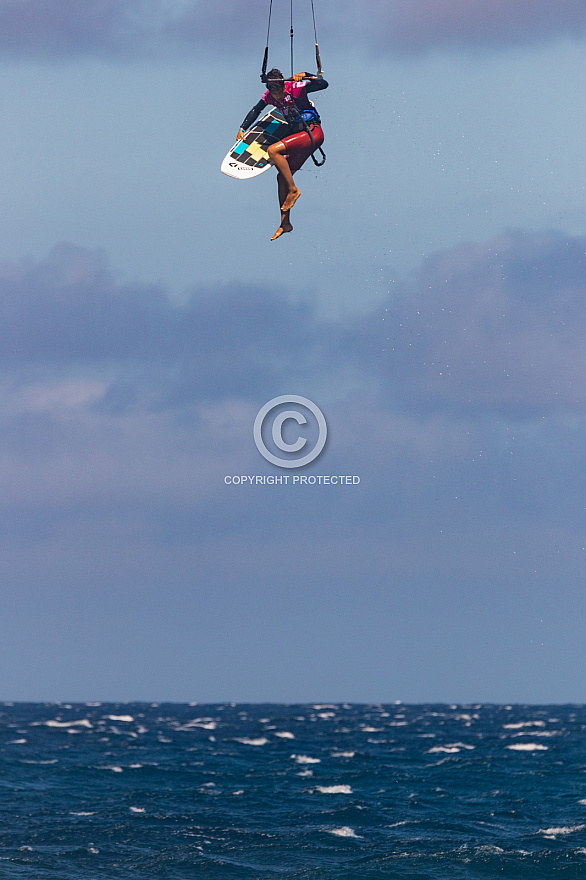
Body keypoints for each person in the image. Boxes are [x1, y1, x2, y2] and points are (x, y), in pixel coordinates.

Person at [237, 68, 328, 240]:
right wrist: (243, 128)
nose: (277, 97)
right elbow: (257, 109)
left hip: (312, 132)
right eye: (274, 93)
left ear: (284, 86)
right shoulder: (269, 96)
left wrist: (307, 75)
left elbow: (323, 84)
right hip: (299, 138)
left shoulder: (296, 88)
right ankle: (285, 223)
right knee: (281, 177)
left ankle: (293, 190)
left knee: (273, 151)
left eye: (279, 92)